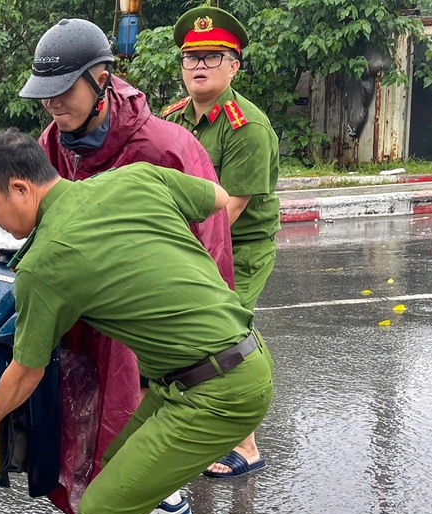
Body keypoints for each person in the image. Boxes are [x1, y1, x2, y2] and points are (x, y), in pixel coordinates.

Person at [0, 18, 234, 514]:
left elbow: (210, 242)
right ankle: (160, 506)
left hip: (141, 315)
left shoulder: (161, 147)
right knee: (79, 414)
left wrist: (196, 318)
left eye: (64, 90)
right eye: (45, 94)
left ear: (101, 78)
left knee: (122, 408)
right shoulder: (51, 144)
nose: (53, 104)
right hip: (81, 307)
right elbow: (24, 216)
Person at [0, 130, 273, 514]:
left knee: (106, 510)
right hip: (227, 361)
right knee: (112, 467)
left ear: (21, 188)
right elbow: (220, 200)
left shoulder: (45, 263)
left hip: (217, 394)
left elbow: (26, 371)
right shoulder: (133, 180)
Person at [162, 6, 280, 477]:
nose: (200, 66)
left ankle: (247, 447)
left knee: (229, 338)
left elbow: (231, 207)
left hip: (240, 248)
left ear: (233, 67)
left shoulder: (246, 126)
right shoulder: (174, 119)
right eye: (192, 58)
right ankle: (200, 430)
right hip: (189, 242)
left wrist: (177, 252)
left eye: (213, 57)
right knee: (191, 339)